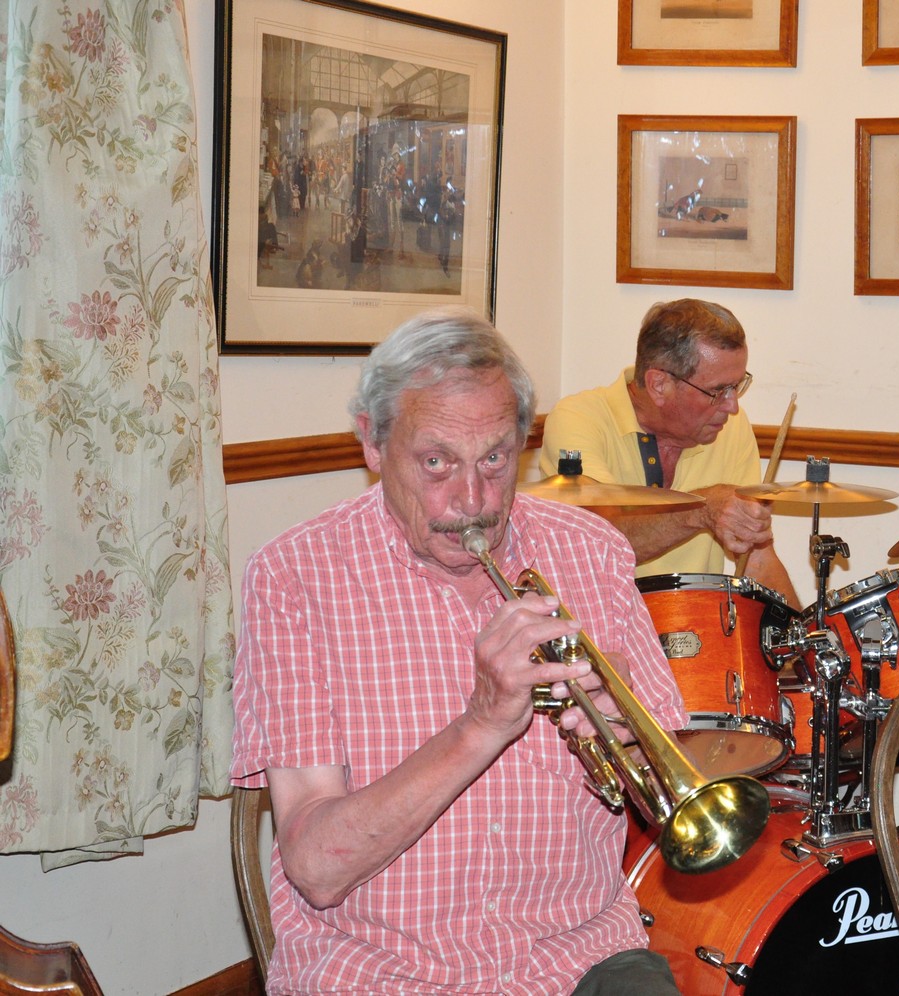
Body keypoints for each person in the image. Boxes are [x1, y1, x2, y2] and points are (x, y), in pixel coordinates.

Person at [230, 307, 688, 995]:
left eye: (495, 459)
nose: (471, 501)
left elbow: (672, 798)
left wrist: (627, 735)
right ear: (373, 444)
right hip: (381, 970)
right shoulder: (295, 578)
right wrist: (481, 723)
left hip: (581, 957)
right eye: (436, 461)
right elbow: (317, 869)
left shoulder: (593, 554)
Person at [540, 298, 799, 608]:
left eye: (737, 386)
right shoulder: (578, 419)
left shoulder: (731, 426)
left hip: (694, 637)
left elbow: (757, 557)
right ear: (659, 384)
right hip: (597, 634)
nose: (733, 406)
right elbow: (600, 540)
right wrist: (702, 510)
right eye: (718, 391)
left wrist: (804, 646)